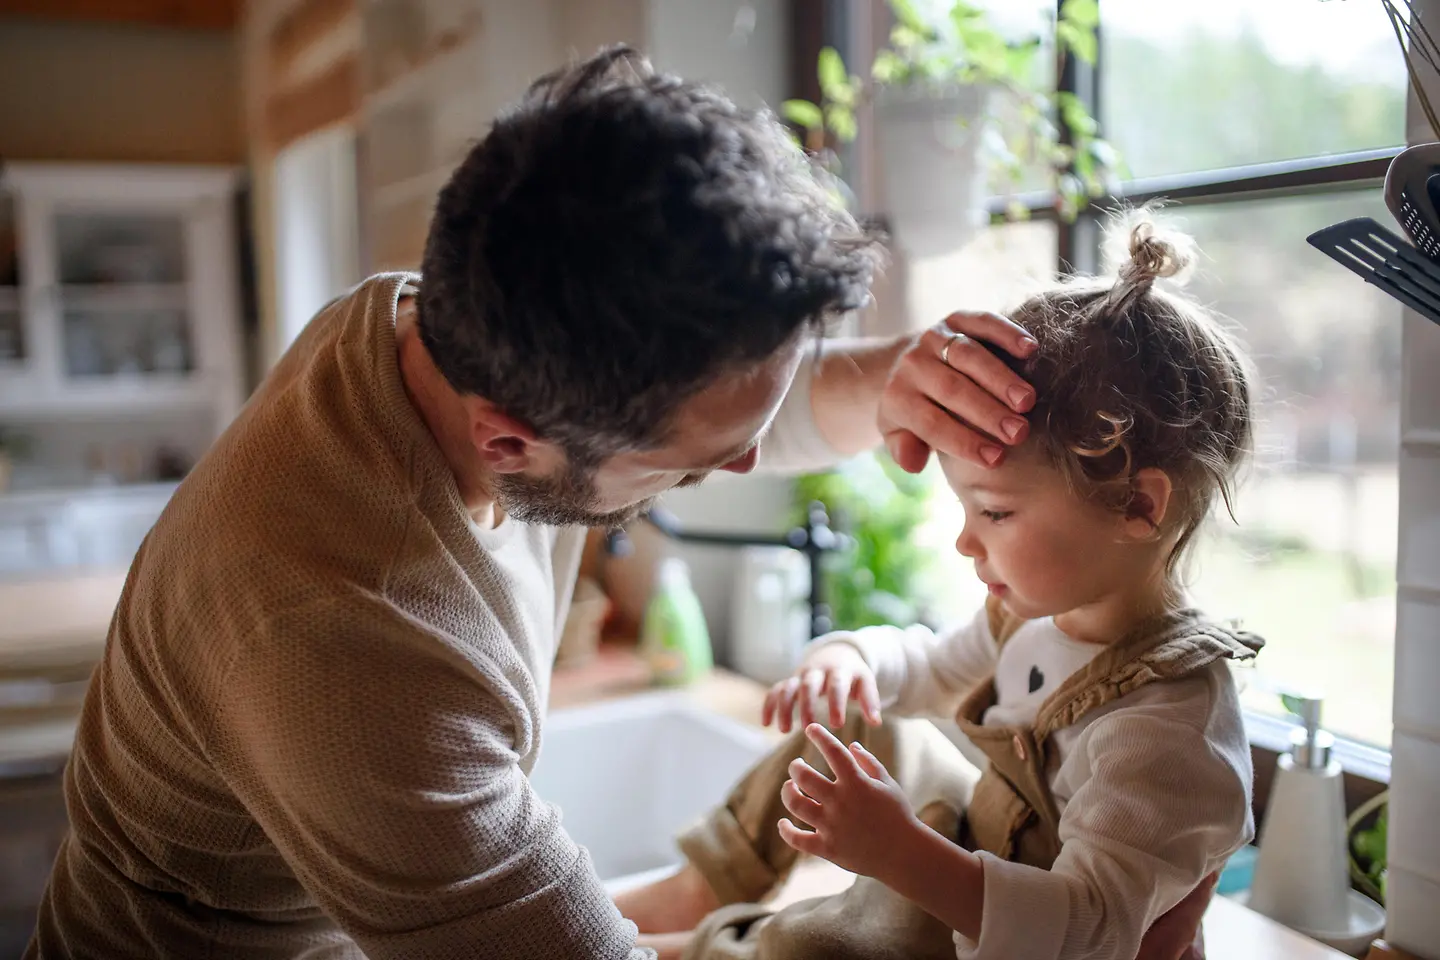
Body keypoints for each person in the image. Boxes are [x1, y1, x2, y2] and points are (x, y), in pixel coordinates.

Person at [24, 46, 1047, 960]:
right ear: (508, 438)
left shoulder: (450, 316)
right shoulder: (357, 643)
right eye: (690, 471)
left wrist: (897, 375)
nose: (736, 470)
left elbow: (711, 408)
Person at [620, 215, 1259, 960]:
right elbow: (929, 669)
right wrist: (855, 659)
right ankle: (698, 888)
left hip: (1011, 938)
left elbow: (1087, 930)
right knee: (861, 725)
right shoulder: (1039, 617)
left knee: (819, 946)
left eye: (994, 511)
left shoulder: (1166, 732)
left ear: (1138, 506)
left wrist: (900, 854)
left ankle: (698, 949)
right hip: (984, 853)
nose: (965, 540)